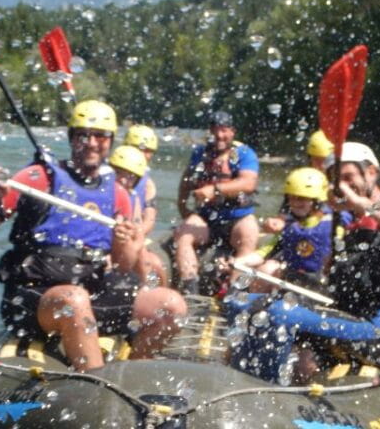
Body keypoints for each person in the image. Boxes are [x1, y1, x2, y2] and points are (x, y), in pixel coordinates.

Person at [0, 100, 187, 372]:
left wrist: (126, 242)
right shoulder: (37, 179)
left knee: (171, 306)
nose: (92, 143)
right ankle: (97, 386)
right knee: (74, 301)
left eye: (101, 136)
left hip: (91, 290)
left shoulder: (117, 194)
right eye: (83, 135)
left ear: (111, 142)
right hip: (35, 296)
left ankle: (131, 373)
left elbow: (122, 264)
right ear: (71, 138)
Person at [228, 141, 380, 383]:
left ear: (372, 173)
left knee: (279, 313)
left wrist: (359, 201)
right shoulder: (346, 225)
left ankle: (256, 388)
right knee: (240, 302)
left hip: (375, 330)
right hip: (344, 318)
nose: (344, 187)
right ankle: (235, 376)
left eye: (349, 177)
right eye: (338, 181)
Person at [173, 110, 259, 295]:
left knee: (249, 234)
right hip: (206, 217)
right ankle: (191, 289)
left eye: (224, 130)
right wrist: (182, 206)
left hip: (237, 217)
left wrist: (215, 189)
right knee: (184, 235)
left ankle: (235, 292)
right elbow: (187, 180)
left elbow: (249, 183)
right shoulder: (200, 153)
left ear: (233, 132)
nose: (220, 135)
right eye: (215, 130)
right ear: (210, 132)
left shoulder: (244, 153)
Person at [225, 167, 340, 292]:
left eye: (301, 198)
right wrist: (236, 262)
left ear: (317, 200)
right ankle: (255, 301)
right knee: (267, 268)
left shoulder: (334, 227)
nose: (295, 203)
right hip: (293, 279)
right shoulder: (290, 227)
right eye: (291, 198)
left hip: (321, 285)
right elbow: (262, 254)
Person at [108, 143, 167, 286]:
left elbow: (140, 230)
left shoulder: (133, 196)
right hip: (103, 247)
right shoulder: (100, 192)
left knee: (154, 264)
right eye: (118, 173)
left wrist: (132, 247)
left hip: (125, 249)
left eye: (130, 177)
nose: (123, 180)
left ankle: (155, 295)